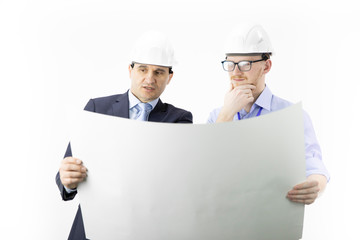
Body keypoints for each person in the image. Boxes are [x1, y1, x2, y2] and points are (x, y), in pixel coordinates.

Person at [56, 31, 193, 240]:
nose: (150, 78)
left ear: (169, 77)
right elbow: (67, 170)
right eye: (143, 69)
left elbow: (178, 184)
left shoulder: (179, 120)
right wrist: (68, 179)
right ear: (130, 70)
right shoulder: (97, 108)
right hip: (93, 227)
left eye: (159, 72)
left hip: (147, 229)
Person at [207, 24, 329, 205]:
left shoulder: (292, 116)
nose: (235, 72)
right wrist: (227, 114)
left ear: (267, 66)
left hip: (272, 219)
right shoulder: (218, 116)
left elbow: (314, 166)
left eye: (244, 64)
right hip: (226, 219)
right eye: (230, 64)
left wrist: (315, 185)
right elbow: (205, 171)